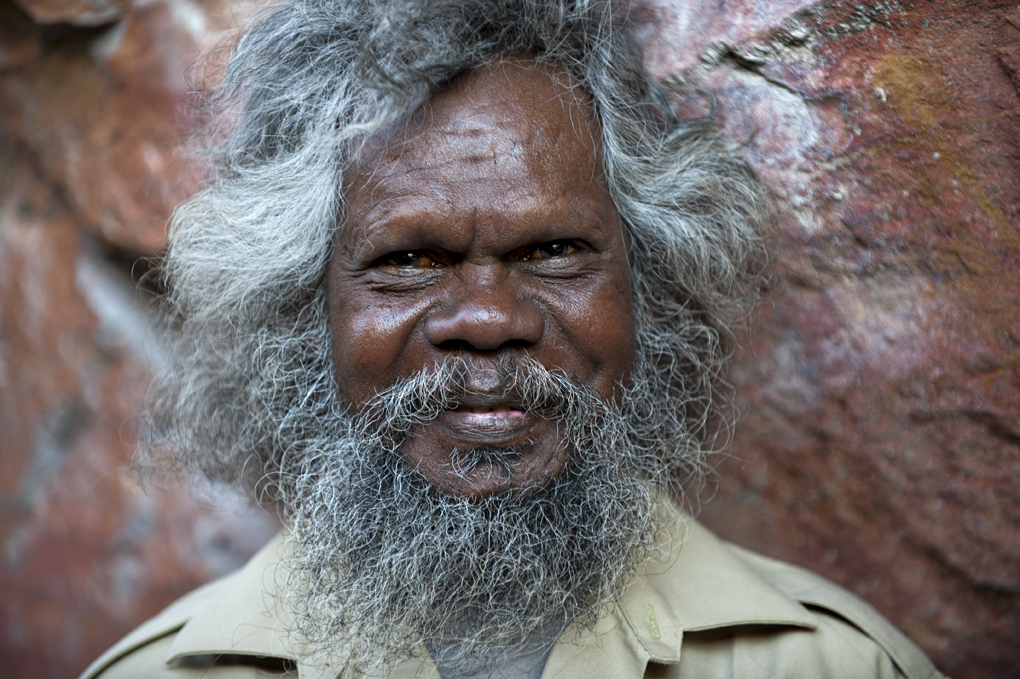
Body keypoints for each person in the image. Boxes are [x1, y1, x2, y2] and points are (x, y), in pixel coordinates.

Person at [80, 0, 946, 677]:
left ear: (652, 289)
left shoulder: (837, 664)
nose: (489, 319)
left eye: (554, 251)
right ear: (307, 313)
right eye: (410, 259)